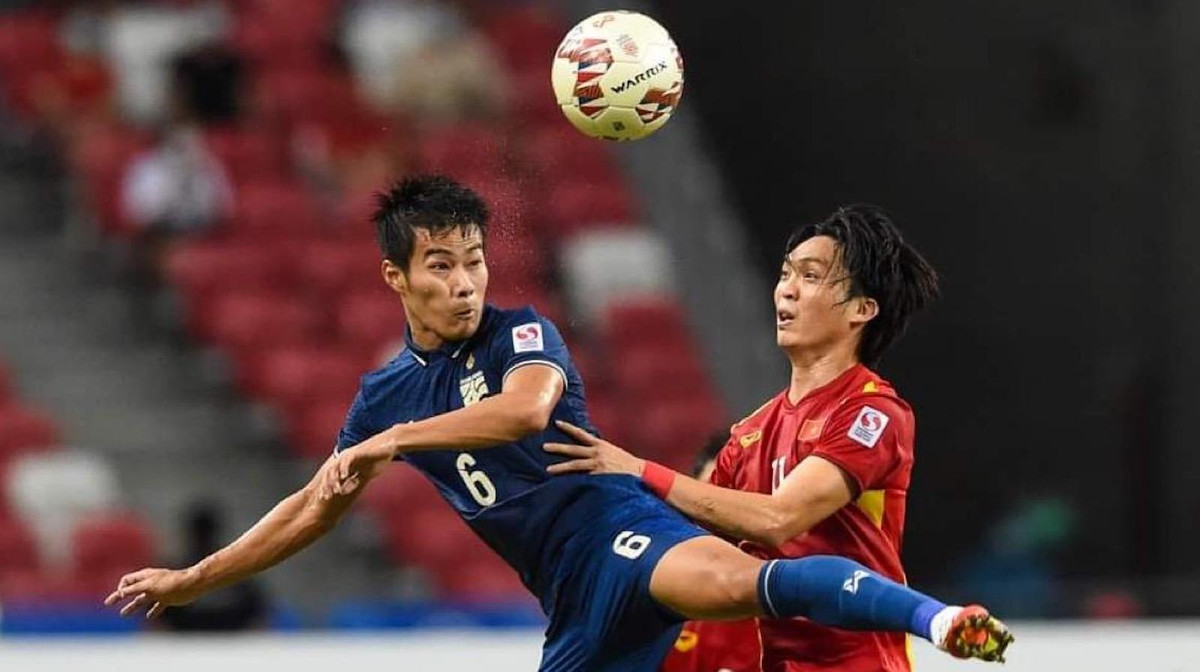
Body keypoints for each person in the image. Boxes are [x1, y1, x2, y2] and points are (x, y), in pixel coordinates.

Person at [104, 178, 1012, 671]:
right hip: (573, 605)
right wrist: (196, 578)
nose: (466, 283)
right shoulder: (384, 396)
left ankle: (939, 621)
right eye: (441, 266)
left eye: (474, 261)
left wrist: (394, 444)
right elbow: (312, 506)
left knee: (747, 582)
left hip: (619, 535)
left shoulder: (520, 334)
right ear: (395, 279)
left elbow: (527, 409)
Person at [544, 205, 1009, 670]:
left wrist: (638, 470)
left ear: (862, 309)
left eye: (811, 276)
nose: (787, 288)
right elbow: (693, 540)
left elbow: (778, 518)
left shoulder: (872, 411)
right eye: (786, 273)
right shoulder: (749, 433)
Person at [660, 434, 761, 672]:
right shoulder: (656, 609)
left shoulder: (811, 614)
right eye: (709, 502)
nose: (725, 517)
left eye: (740, 494)